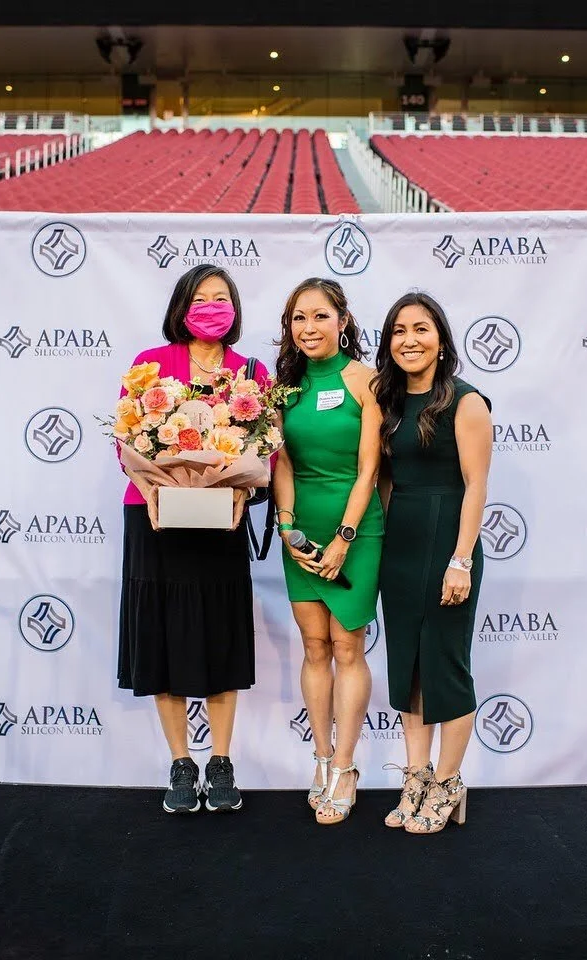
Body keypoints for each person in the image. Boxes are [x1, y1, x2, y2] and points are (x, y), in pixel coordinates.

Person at [117, 264, 270, 815]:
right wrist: (151, 487)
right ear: (181, 306)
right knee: (163, 637)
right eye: (200, 298)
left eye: (221, 298)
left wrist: (241, 492)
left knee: (218, 635)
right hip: (156, 520)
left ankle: (221, 762)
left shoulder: (250, 372)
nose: (211, 307)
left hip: (219, 521)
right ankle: (181, 763)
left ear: (235, 308)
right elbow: (125, 441)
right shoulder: (149, 366)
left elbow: (266, 449)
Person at [373, 292, 492, 834]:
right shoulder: (389, 402)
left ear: (441, 339)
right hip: (399, 544)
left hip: (448, 541)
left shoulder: (466, 402)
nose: (409, 340)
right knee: (408, 667)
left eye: (421, 329)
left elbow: (475, 487)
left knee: (445, 664)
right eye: (399, 331)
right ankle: (416, 777)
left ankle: (448, 782)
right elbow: (386, 481)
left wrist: (461, 560)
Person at [273, 278, 383, 825]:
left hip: (356, 528)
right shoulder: (282, 388)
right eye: (299, 318)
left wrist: (344, 537)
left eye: (320, 316)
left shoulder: (367, 380)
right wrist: (287, 528)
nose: (309, 327)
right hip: (300, 526)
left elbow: (369, 469)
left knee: (347, 647)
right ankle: (320, 758)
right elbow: (283, 463)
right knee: (314, 646)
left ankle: (345, 766)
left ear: (343, 320)